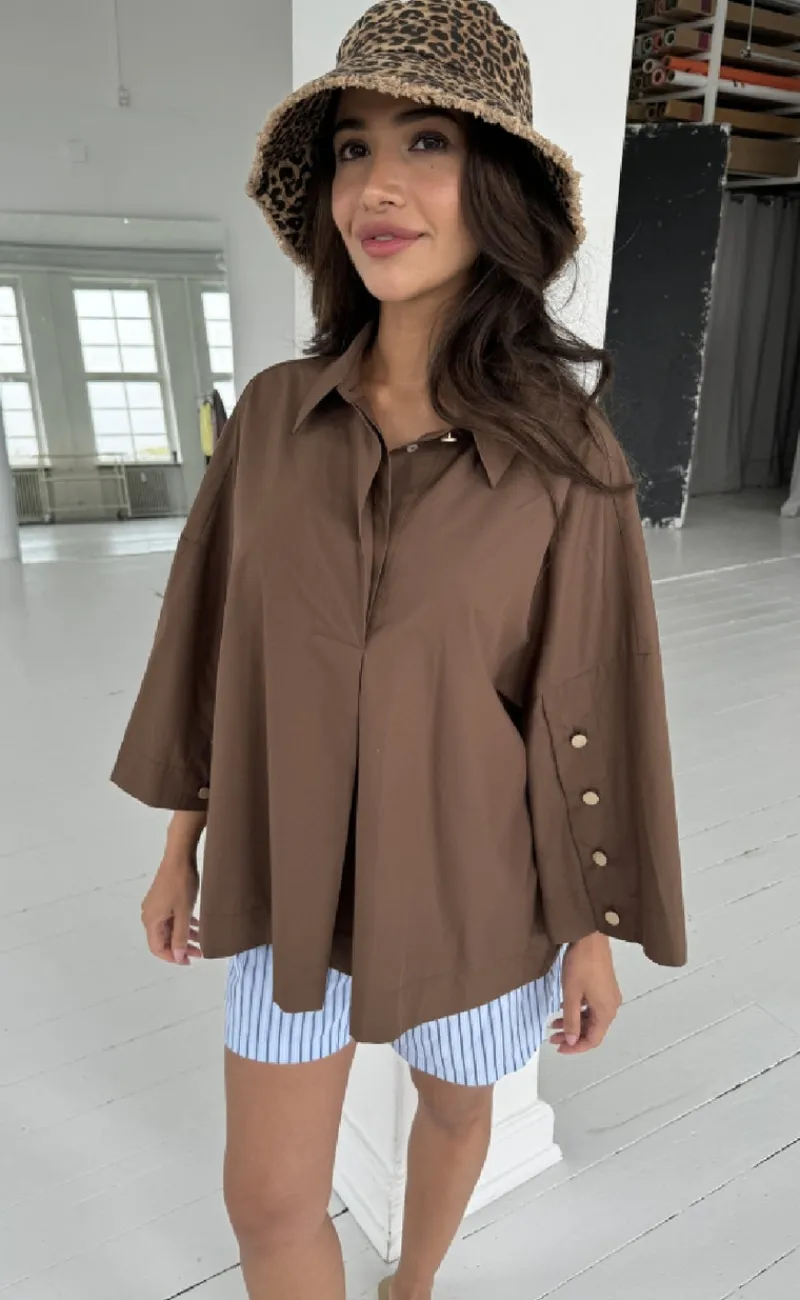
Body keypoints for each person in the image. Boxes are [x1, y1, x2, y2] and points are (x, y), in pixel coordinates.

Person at [111, 3, 687, 1298]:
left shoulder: (566, 453)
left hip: (476, 885)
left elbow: (587, 703)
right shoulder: (271, 421)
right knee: (269, 1202)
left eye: (426, 141)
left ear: (495, 186)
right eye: (352, 148)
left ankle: (409, 1284)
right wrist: (178, 844)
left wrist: (592, 932)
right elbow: (213, 649)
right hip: (282, 872)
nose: (377, 184)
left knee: (456, 1105)